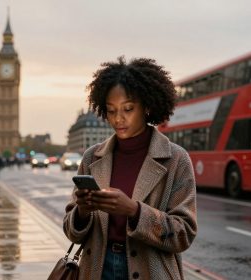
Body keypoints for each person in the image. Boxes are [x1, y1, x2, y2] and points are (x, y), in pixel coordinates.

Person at [63, 57, 197, 279]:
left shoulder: (176, 159)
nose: (118, 118)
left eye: (128, 108)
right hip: (97, 269)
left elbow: (183, 234)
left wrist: (134, 211)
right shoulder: (91, 158)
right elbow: (71, 231)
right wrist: (83, 211)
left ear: (147, 106)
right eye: (111, 110)